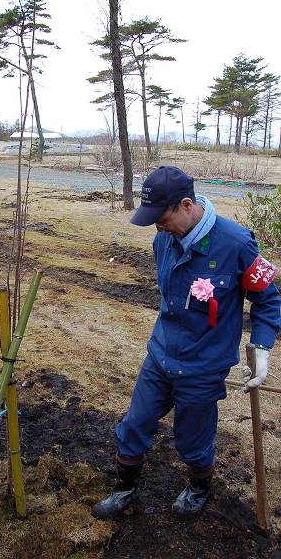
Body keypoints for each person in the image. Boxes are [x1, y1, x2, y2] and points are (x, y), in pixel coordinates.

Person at [92, 165, 280, 521]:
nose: (157, 227)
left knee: (193, 442)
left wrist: (262, 349)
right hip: (160, 357)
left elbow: (268, 300)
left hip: (203, 368)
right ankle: (125, 488)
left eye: (161, 218)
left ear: (186, 205)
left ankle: (198, 488)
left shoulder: (236, 243)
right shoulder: (162, 239)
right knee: (134, 425)